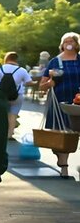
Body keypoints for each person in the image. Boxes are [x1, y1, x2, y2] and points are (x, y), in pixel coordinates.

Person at [39, 32, 80, 178]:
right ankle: (64, 165)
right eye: (66, 41)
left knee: (73, 135)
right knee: (62, 135)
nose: (68, 43)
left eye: (71, 41)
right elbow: (42, 86)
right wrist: (49, 83)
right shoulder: (55, 62)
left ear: (76, 44)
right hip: (60, 103)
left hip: (77, 102)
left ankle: (63, 158)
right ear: (62, 45)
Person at [0, 52, 33, 139]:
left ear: (6, 59)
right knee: (13, 115)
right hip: (17, 96)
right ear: (16, 60)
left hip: (2, 95)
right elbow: (28, 82)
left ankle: (0, 133)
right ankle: (9, 135)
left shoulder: (0, 69)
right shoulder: (22, 70)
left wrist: (4, 84)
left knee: (2, 114)